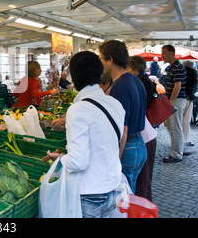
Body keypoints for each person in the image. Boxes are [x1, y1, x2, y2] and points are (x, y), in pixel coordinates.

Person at [44, 51, 125, 218]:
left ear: (74, 76)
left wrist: (59, 159)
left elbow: (77, 162)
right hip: (115, 187)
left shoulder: (78, 109)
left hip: (91, 194)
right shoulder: (115, 104)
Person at [98, 40, 147, 193]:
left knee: (124, 197)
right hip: (140, 144)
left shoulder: (119, 87)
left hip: (128, 148)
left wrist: (116, 159)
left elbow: (123, 129)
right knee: (129, 191)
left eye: (101, 59)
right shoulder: (136, 81)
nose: (100, 63)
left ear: (110, 60)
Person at [127, 55, 158, 202]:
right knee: (144, 181)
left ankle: (143, 210)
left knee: (142, 182)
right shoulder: (140, 81)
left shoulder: (134, 82)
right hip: (146, 134)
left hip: (142, 136)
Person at [161, 45, 187, 163]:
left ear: (172, 53)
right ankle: (177, 150)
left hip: (176, 100)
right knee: (172, 126)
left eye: (165, 53)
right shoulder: (172, 67)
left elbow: (177, 86)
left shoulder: (177, 67)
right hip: (174, 100)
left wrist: (170, 102)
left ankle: (176, 154)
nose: (162, 56)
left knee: (175, 127)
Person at [182, 60, 197, 152]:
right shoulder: (193, 72)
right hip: (189, 98)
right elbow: (194, 85)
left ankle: (180, 141)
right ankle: (186, 140)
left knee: (179, 121)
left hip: (180, 98)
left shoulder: (181, 71)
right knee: (186, 121)